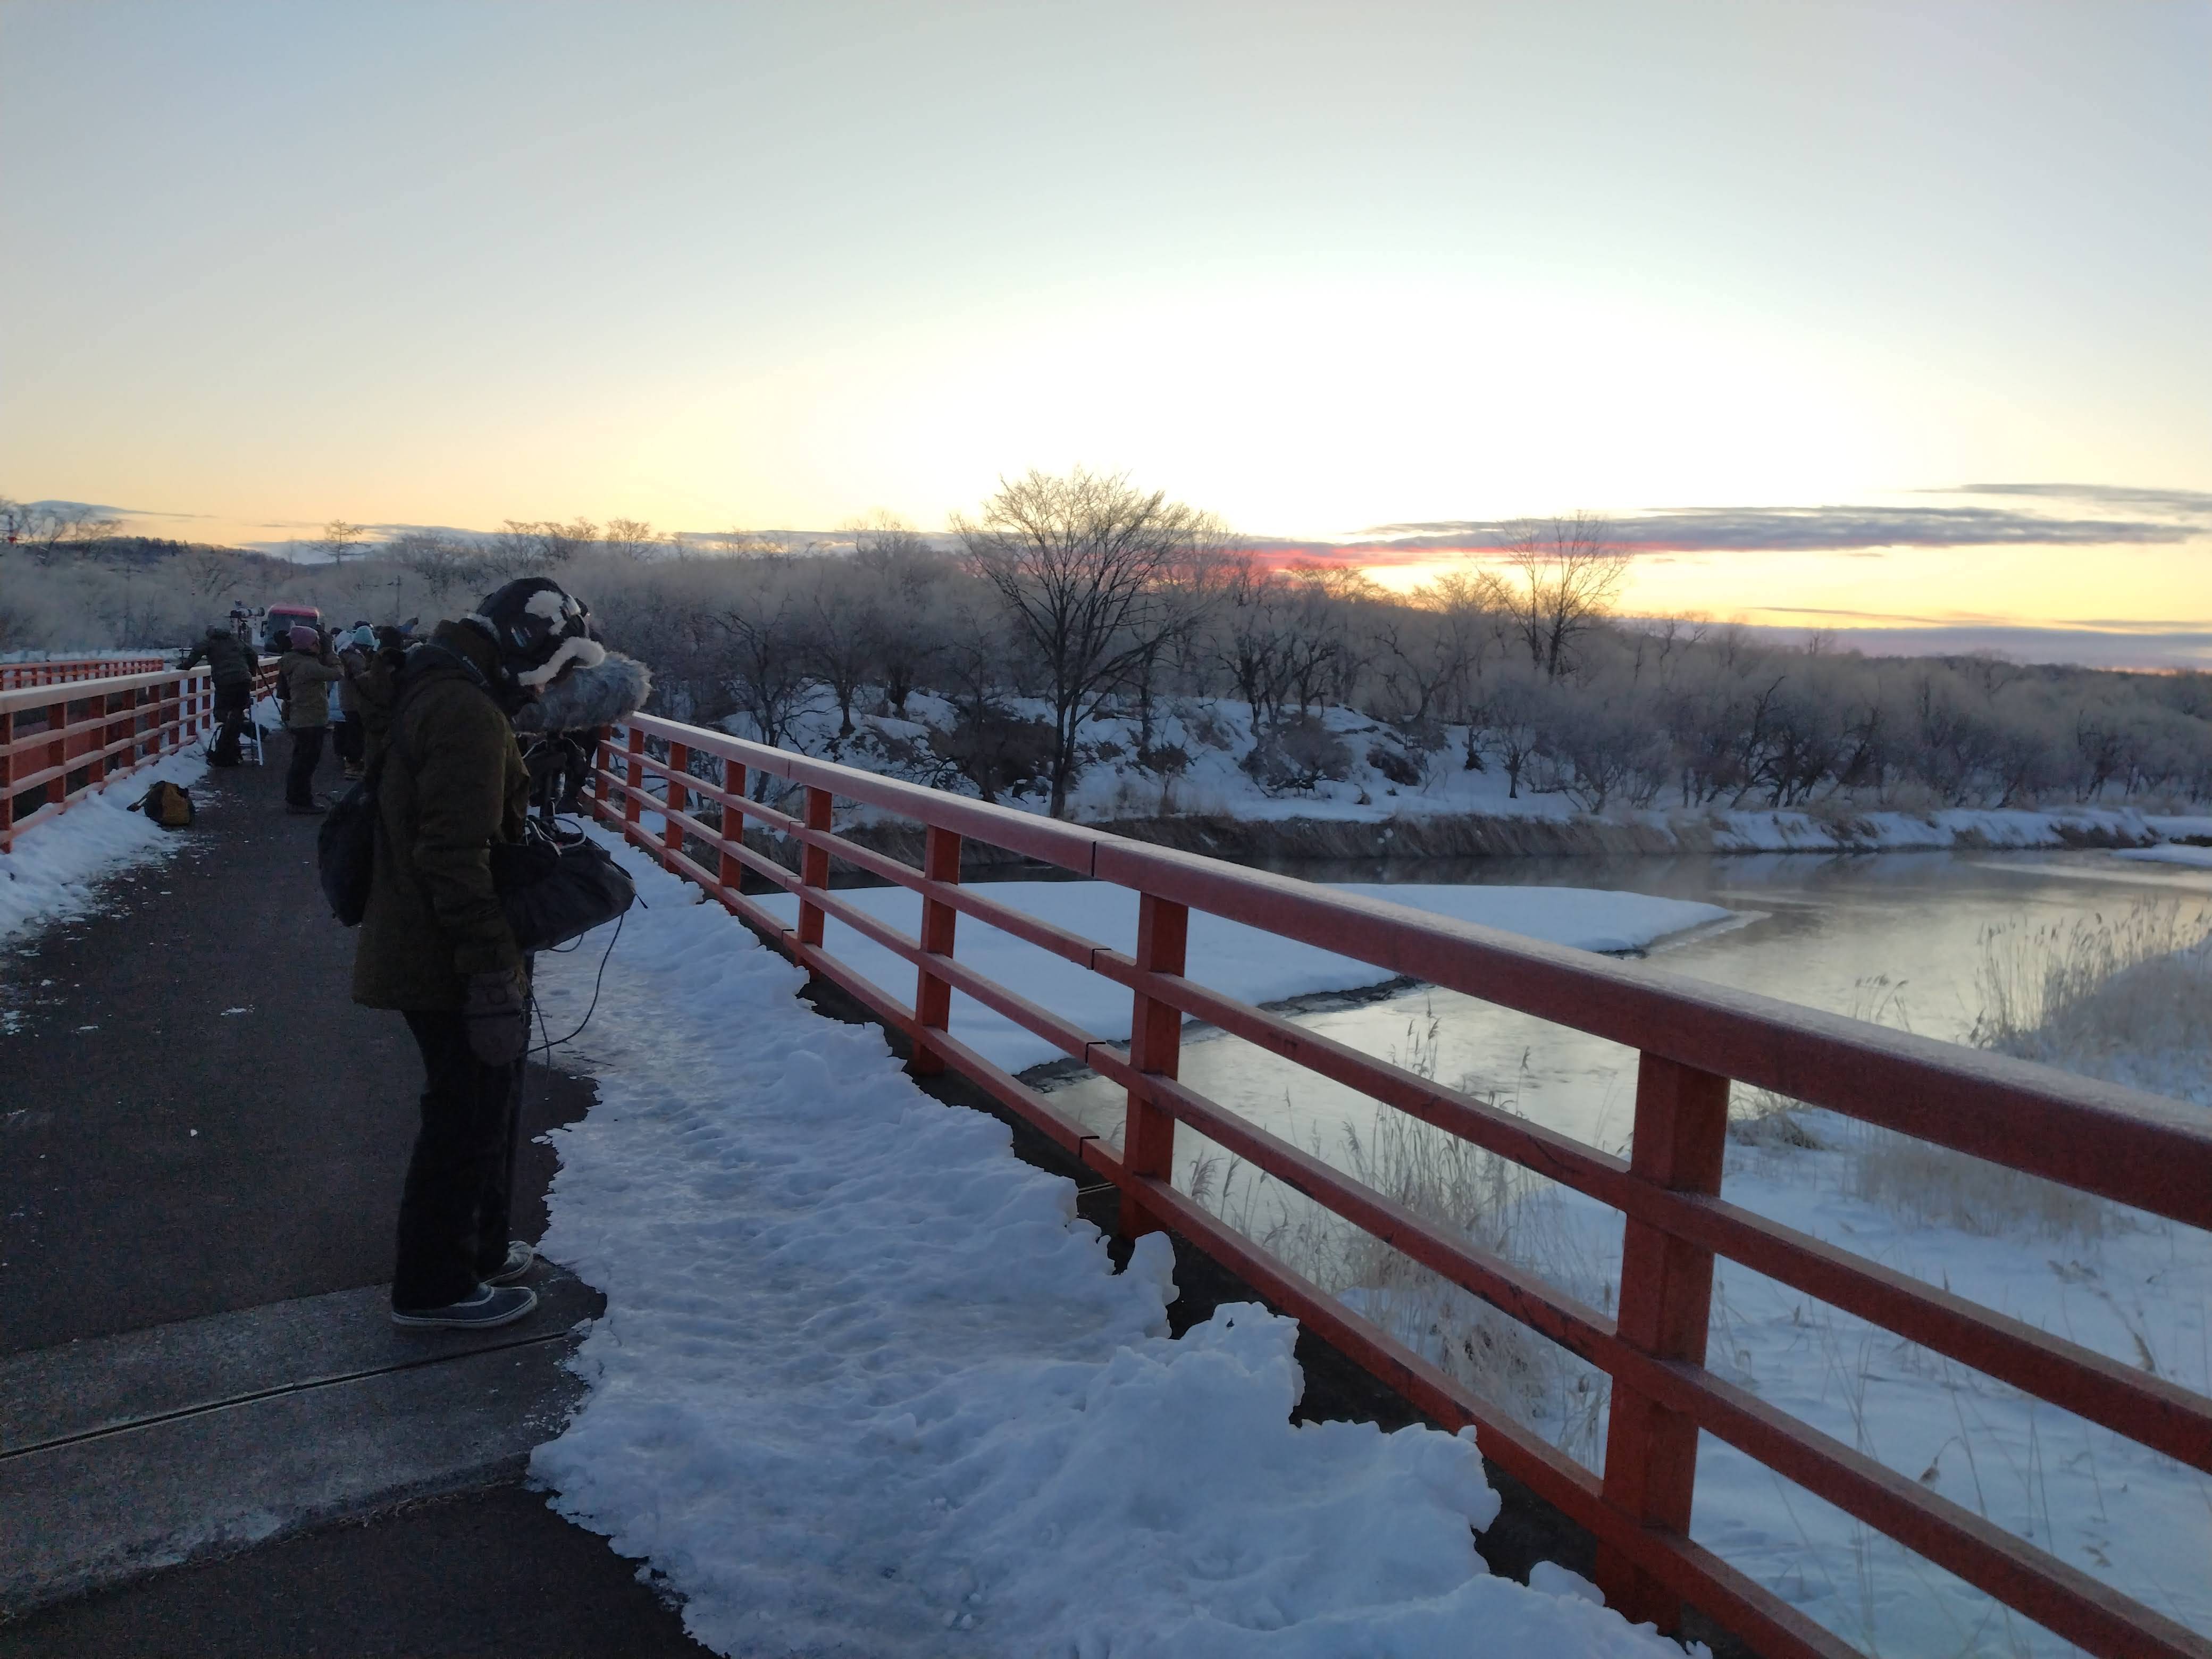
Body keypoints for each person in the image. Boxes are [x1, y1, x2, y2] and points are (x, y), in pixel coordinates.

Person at [353, 576, 606, 1330]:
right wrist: (493, 965)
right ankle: (433, 1287)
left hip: (427, 935)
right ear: (526, 650)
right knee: (463, 1115)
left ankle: (480, 1250)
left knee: (480, 1103)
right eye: (555, 668)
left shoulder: (443, 685)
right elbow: (451, 855)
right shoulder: (464, 711)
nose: (550, 687)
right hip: (446, 952)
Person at [276, 625, 347, 814]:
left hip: (302, 718)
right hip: (310, 720)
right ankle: (300, 802)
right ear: (308, 645)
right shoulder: (307, 666)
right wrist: (331, 653)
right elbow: (338, 673)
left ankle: (297, 798)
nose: (318, 646)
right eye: (316, 643)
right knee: (306, 764)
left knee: (301, 762)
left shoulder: (294, 661)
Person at [178, 623, 259, 766]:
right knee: (237, 713)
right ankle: (232, 749)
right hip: (243, 680)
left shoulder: (210, 642)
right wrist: (250, 671)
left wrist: (184, 666)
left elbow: (197, 652)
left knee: (221, 714)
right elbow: (253, 655)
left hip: (224, 682)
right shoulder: (235, 640)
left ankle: (225, 753)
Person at [332, 624, 375, 781]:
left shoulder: (347, 653)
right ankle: (353, 765)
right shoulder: (355, 658)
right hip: (354, 701)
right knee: (356, 733)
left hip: (348, 700)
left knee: (351, 731)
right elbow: (363, 678)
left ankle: (351, 761)